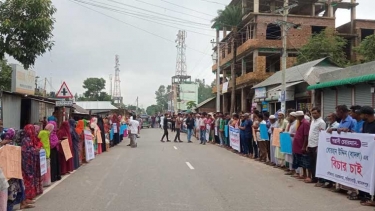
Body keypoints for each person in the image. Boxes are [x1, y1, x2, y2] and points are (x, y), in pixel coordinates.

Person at [358, 106, 375, 206]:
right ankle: (368, 197)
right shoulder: (365, 124)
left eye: (361, 114)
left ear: (366, 115)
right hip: (368, 155)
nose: (360, 116)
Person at [306, 107, 326, 184]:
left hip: (316, 145)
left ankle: (319, 180)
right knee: (311, 163)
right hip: (311, 144)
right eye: (312, 113)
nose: (313, 115)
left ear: (319, 113)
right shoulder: (313, 121)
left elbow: (322, 135)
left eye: (315, 113)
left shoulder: (321, 122)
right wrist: (308, 144)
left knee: (317, 163)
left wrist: (319, 146)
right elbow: (311, 134)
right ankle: (313, 178)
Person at [292, 111, 310, 180]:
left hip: (302, 144)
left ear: (300, 116)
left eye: (297, 116)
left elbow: (306, 136)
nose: (296, 118)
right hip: (297, 144)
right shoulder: (300, 122)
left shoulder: (305, 123)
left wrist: (304, 146)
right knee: (301, 160)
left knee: (304, 160)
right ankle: (303, 174)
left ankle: (306, 175)